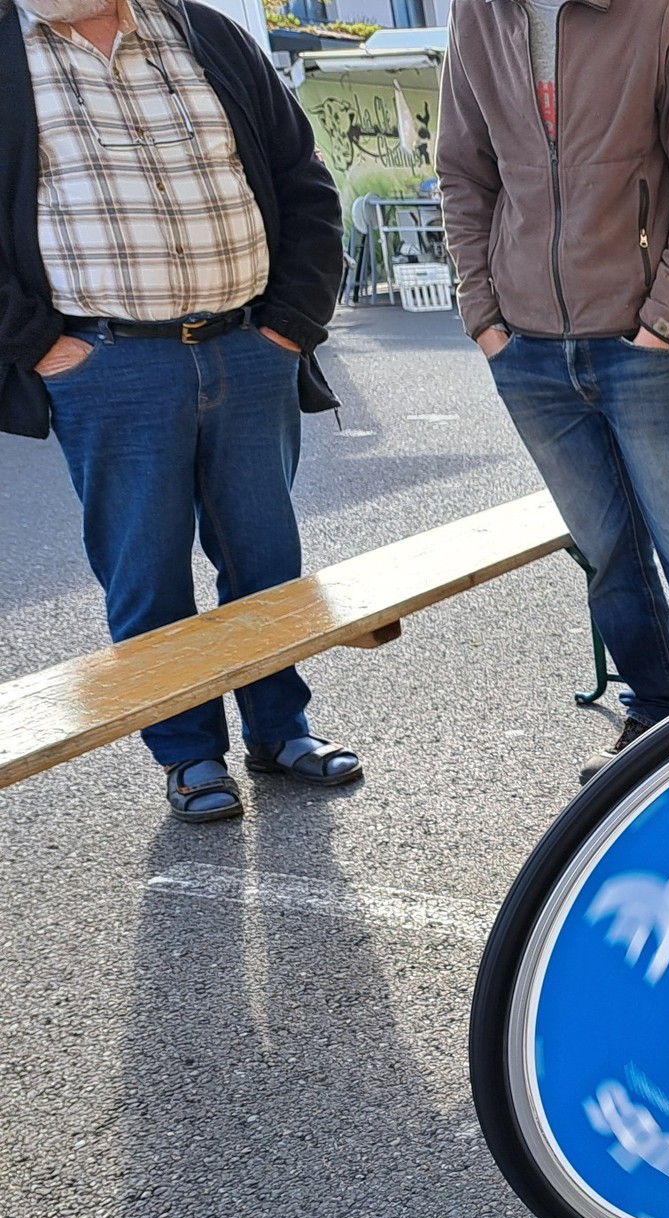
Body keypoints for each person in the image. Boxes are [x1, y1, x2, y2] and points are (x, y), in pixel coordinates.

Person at [0, 0, 355, 824]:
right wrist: (37, 344)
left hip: (249, 347)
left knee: (266, 563)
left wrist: (290, 326)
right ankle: (189, 754)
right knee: (145, 573)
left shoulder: (204, 30)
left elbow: (304, 179)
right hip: (106, 361)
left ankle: (282, 728)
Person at [438, 0, 669, 783]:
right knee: (609, 554)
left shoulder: (656, 12)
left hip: (639, 342)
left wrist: (666, 321)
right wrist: (484, 317)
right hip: (527, 351)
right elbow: (463, 175)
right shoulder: (478, 13)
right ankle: (653, 718)